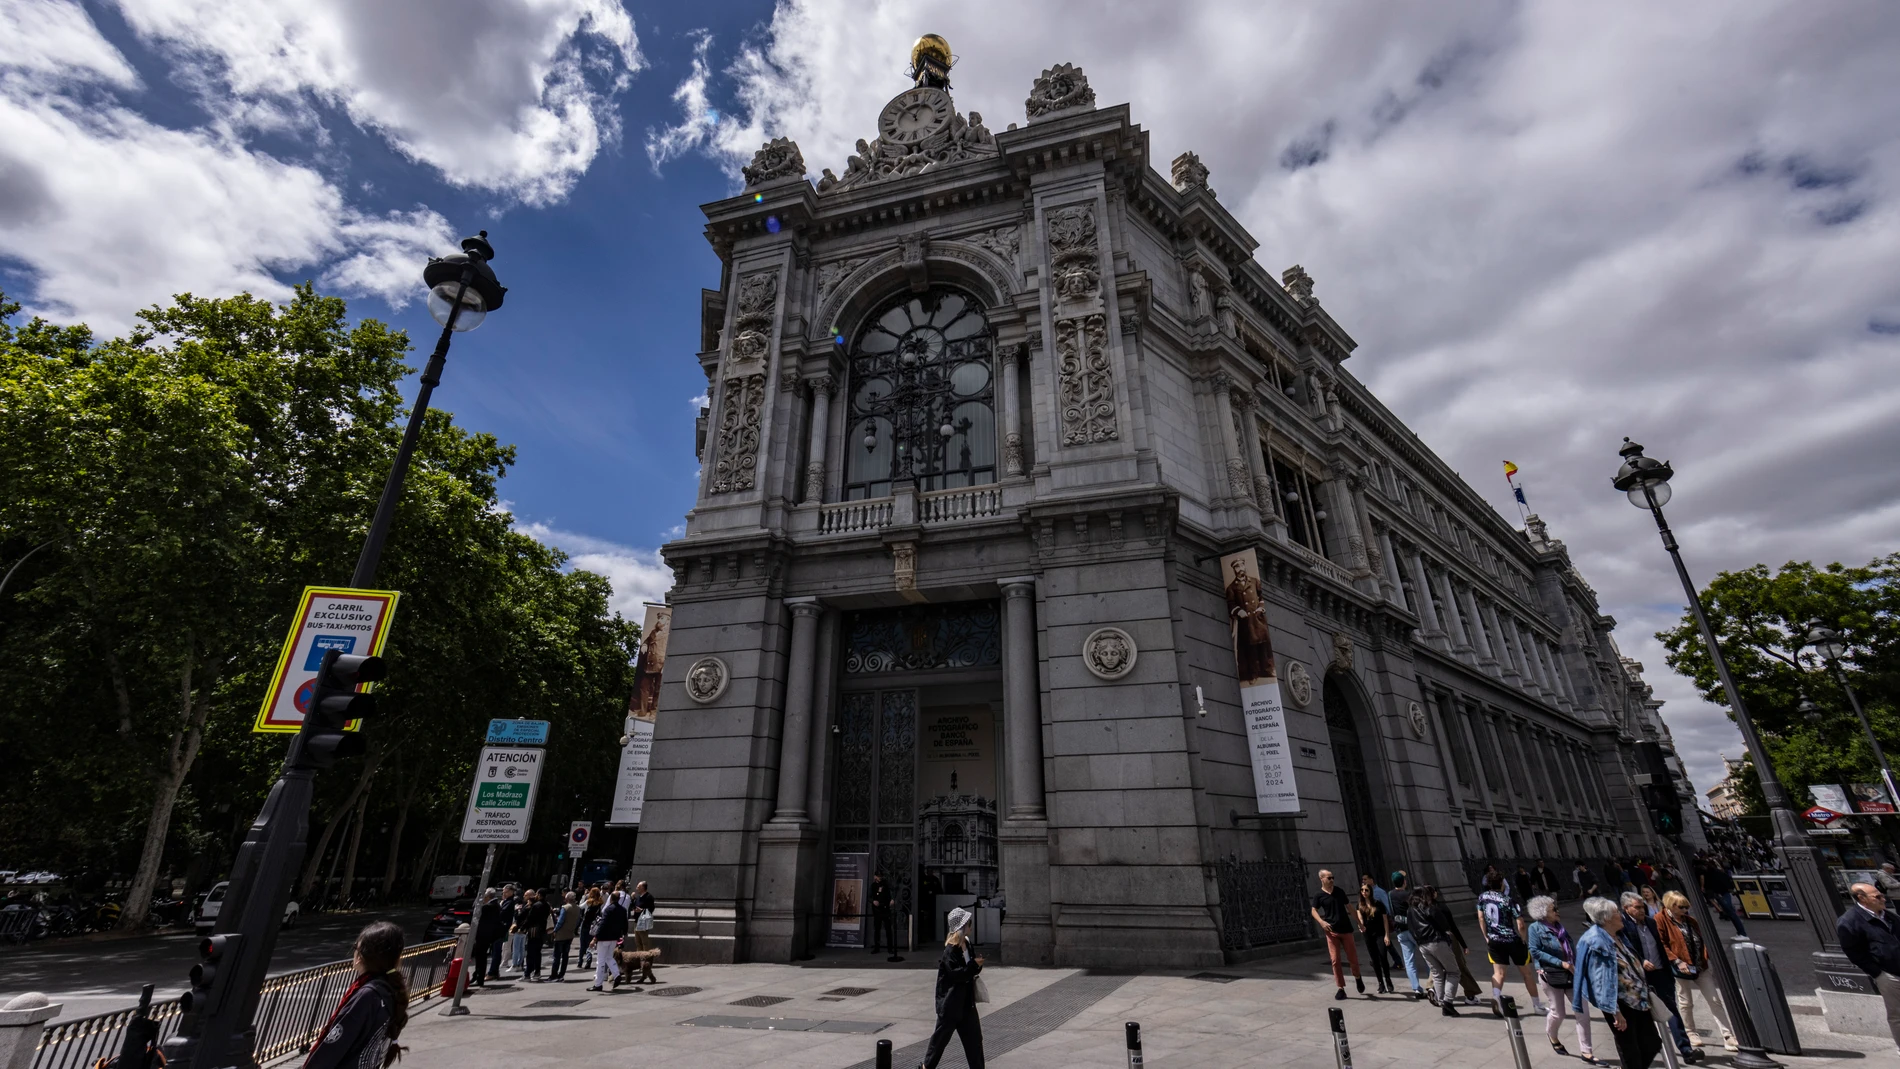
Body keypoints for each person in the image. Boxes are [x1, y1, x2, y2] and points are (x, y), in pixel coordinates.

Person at [303, 920, 409, 1069]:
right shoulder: (390, 990)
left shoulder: (366, 996)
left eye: (355, 947)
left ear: (361, 956)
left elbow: (331, 1049)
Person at [1574, 895, 1661, 1069]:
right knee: (1630, 1050)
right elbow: (1600, 980)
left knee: (1652, 1043)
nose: (1620, 915)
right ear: (1606, 918)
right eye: (1616, 913)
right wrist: (1615, 1011)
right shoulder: (1596, 941)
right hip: (1620, 1004)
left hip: (1638, 999)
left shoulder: (1617, 935)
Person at [1618, 892, 1701, 1063]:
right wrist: (1641, 961)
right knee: (1644, 1016)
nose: (1642, 910)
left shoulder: (1650, 922)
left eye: (1643, 906)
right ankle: (1651, 1052)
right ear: (1626, 909)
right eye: (1638, 907)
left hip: (1661, 973)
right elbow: (1625, 950)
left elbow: (1662, 945)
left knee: (1671, 1010)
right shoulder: (1623, 927)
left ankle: (1686, 1050)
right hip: (1640, 977)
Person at [1657, 890, 1736, 1052]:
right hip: (1681, 968)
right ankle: (1691, 1032)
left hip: (1700, 966)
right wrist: (1677, 961)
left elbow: (1702, 938)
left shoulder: (1690, 921)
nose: (1685, 910)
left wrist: (1706, 956)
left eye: (1687, 907)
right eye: (1681, 907)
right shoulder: (1660, 920)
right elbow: (1661, 943)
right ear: (1671, 906)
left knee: (1714, 1000)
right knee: (1685, 1002)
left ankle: (1728, 1035)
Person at [1528, 894, 1593, 1063]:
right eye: (1553, 909)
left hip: (1571, 973)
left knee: (1582, 1011)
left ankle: (1586, 1051)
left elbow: (1570, 949)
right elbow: (1535, 951)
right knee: (1558, 1013)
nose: (1557, 911)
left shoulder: (1560, 927)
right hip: (1551, 974)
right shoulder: (1535, 928)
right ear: (1543, 912)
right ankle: (1552, 1036)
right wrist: (1560, 963)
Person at [1838, 881, 1900, 1055]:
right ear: (1862, 898)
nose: (1883, 898)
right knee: (1898, 1015)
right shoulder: (1849, 921)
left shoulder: (1888, 916)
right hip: (1889, 975)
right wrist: (1878, 973)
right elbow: (1853, 952)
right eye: (1877, 896)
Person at [922, 906, 986, 1069]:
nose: (971, 926)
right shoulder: (950, 950)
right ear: (962, 926)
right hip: (951, 1005)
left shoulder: (967, 944)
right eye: (969, 923)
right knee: (938, 1044)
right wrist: (973, 966)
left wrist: (977, 965)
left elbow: (969, 971)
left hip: (966, 1004)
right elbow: (957, 974)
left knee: (975, 1042)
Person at [1477, 872, 1542, 1015]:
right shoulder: (1508, 900)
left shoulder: (1483, 898)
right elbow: (1521, 924)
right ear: (1501, 883)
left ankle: (1496, 997)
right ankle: (1537, 1005)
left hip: (1494, 939)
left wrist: (1486, 936)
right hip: (1511, 939)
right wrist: (1523, 938)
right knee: (1527, 974)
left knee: (1499, 973)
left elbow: (1481, 918)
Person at [1408, 885, 1466, 1016]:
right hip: (1436, 941)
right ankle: (1448, 1002)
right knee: (1454, 972)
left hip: (1423, 945)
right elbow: (1444, 924)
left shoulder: (1410, 910)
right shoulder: (1429, 907)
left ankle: (1442, 1002)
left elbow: (1411, 929)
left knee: (1437, 973)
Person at [1310, 869, 1363, 999]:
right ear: (1321, 879)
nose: (1332, 880)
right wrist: (1322, 922)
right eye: (1329, 878)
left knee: (1353, 959)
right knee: (1335, 960)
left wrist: (1359, 923)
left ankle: (1357, 977)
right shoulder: (1319, 895)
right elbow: (1313, 911)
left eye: (1332, 877)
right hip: (1331, 931)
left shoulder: (1339, 891)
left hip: (1346, 929)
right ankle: (1340, 988)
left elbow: (1349, 907)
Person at [1388, 872, 1424, 999]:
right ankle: (1433, 985)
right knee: (1428, 957)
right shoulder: (1408, 895)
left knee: (1409, 961)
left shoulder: (1390, 894)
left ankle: (1416, 988)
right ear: (1404, 882)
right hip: (1413, 929)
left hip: (1400, 931)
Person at [1356, 882, 1394, 994]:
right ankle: (1380, 983)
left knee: (1383, 957)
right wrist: (1360, 926)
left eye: (1366, 890)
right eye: (1362, 890)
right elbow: (1360, 920)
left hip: (1380, 934)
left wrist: (1387, 935)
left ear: (1370, 892)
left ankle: (1388, 980)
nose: (1364, 892)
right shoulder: (1359, 906)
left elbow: (1385, 920)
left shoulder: (1378, 904)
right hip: (1368, 935)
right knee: (1375, 960)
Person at [1697, 855, 1747, 938]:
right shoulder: (1715, 871)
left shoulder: (1712, 873)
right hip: (1722, 893)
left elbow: (1720, 882)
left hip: (1722, 894)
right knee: (1730, 913)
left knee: (1731, 913)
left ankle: (1742, 933)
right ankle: (1740, 932)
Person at [588, 891, 628, 991]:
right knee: (609, 957)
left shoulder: (608, 909)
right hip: (614, 938)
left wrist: (595, 938)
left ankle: (598, 984)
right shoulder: (622, 910)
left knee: (600, 961)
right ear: (618, 899)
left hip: (604, 938)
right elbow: (625, 924)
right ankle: (616, 974)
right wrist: (623, 934)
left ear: (610, 898)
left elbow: (603, 924)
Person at [473, 888, 503, 985]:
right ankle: (477, 975)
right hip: (487, 935)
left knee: (481, 957)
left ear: (488, 896)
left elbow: (476, 910)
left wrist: (478, 901)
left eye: (484, 896)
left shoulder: (489, 907)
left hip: (484, 936)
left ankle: (479, 977)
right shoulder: (495, 905)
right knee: (481, 957)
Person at [549, 891, 581, 982]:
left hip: (561, 934)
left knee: (557, 956)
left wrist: (555, 930)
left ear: (567, 899)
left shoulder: (565, 908)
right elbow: (578, 921)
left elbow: (560, 921)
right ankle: (561, 974)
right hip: (570, 934)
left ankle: (554, 975)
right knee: (565, 955)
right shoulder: (578, 908)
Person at [521, 889, 550, 981]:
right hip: (542, 930)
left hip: (533, 930)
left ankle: (527, 974)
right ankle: (537, 972)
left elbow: (530, 918)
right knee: (537, 953)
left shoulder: (536, 905)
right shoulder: (547, 905)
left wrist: (522, 928)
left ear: (540, 895)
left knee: (530, 953)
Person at [870, 873, 899, 959]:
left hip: (886, 909)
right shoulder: (873, 885)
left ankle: (890, 948)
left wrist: (892, 899)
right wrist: (873, 901)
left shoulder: (886, 884)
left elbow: (893, 890)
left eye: (880, 876)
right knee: (877, 929)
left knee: (888, 929)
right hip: (877, 910)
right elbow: (869, 896)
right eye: (877, 876)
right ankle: (876, 947)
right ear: (875, 877)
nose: (878, 878)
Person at [578, 888, 603, 970]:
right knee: (590, 943)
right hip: (594, 925)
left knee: (582, 943)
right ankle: (589, 960)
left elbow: (580, 906)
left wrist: (584, 896)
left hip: (585, 924)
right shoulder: (600, 902)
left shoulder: (589, 901)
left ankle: (580, 961)